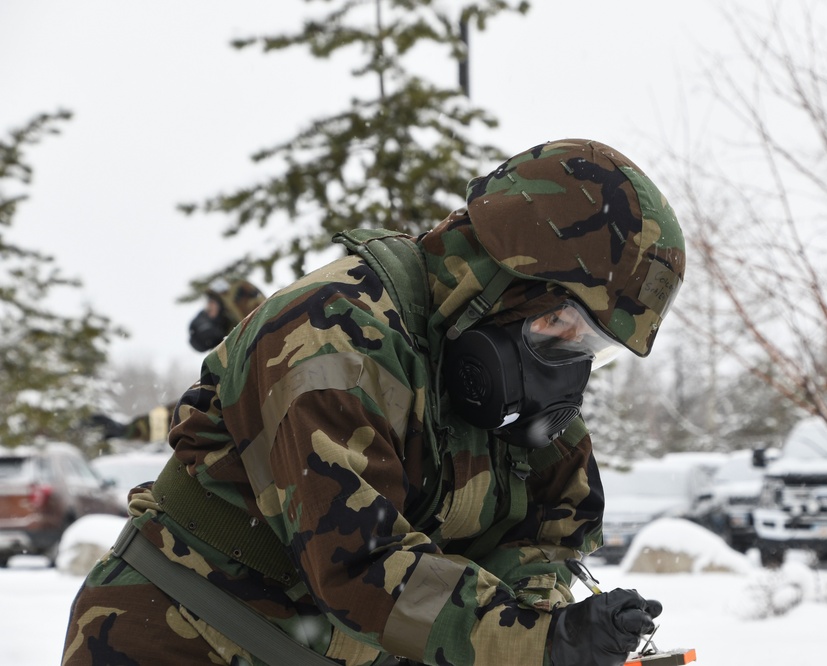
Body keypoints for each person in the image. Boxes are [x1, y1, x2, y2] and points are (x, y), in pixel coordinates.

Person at [62, 138, 685, 666]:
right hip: (183, 634)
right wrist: (539, 643)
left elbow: (557, 522)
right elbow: (362, 565)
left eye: (594, 349)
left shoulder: (511, 366)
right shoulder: (330, 339)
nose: (570, 366)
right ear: (504, 275)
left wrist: (557, 621)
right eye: (567, 328)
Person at [90, 278, 266, 443]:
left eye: (212, 306)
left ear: (232, 310)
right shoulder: (244, 356)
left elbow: (194, 412)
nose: (206, 313)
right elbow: (194, 410)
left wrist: (130, 430)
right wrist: (129, 429)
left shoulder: (252, 359)